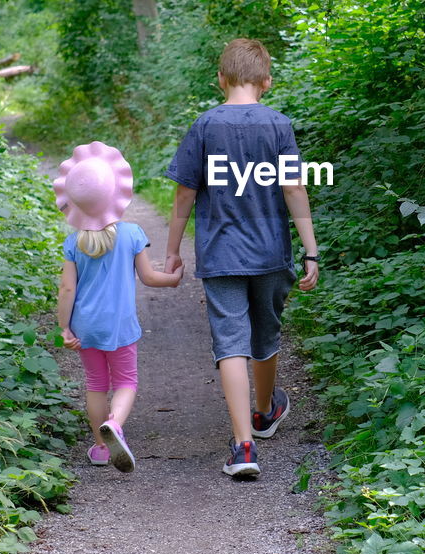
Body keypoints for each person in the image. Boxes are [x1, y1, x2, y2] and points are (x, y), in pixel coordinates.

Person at [164, 38, 319, 478]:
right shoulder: (279, 125)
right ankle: (265, 410)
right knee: (265, 334)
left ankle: (243, 447)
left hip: (221, 252)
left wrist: (173, 250)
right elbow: (294, 189)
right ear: (266, 81)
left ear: (221, 79)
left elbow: (184, 192)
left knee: (230, 342)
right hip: (271, 251)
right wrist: (311, 250)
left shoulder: (205, 125)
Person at [53, 141, 182, 473]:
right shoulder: (132, 234)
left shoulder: (73, 243)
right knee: (126, 381)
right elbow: (150, 277)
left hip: (85, 327)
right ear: (117, 197)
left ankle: (99, 445)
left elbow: (68, 288)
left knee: (96, 383)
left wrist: (64, 327)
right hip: (121, 325)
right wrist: (174, 278)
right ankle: (116, 425)